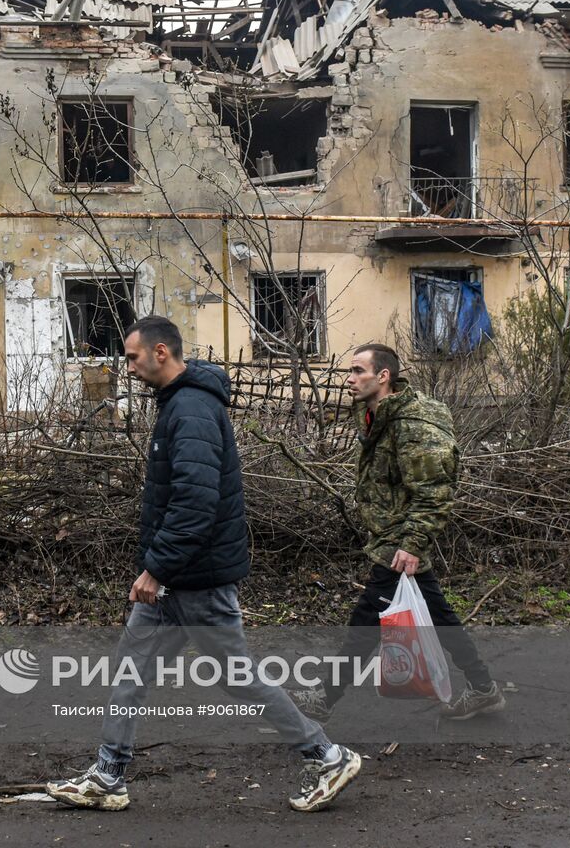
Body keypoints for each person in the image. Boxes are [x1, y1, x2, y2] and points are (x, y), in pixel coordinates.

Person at [46, 316, 361, 813]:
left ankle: (326, 754)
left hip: (194, 577)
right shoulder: (179, 404)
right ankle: (108, 775)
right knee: (131, 668)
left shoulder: (190, 409)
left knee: (239, 676)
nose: (126, 368)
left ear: (162, 352)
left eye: (132, 357)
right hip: (183, 575)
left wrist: (158, 568)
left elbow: (196, 502)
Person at [291, 343, 503, 721]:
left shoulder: (413, 425)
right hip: (391, 535)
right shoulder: (377, 416)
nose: (349, 379)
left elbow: (435, 491)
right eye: (349, 372)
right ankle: (483, 688)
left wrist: (412, 543)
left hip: (401, 541)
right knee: (437, 613)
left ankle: (324, 699)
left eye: (357, 371)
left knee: (365, 624)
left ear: (383, 376)